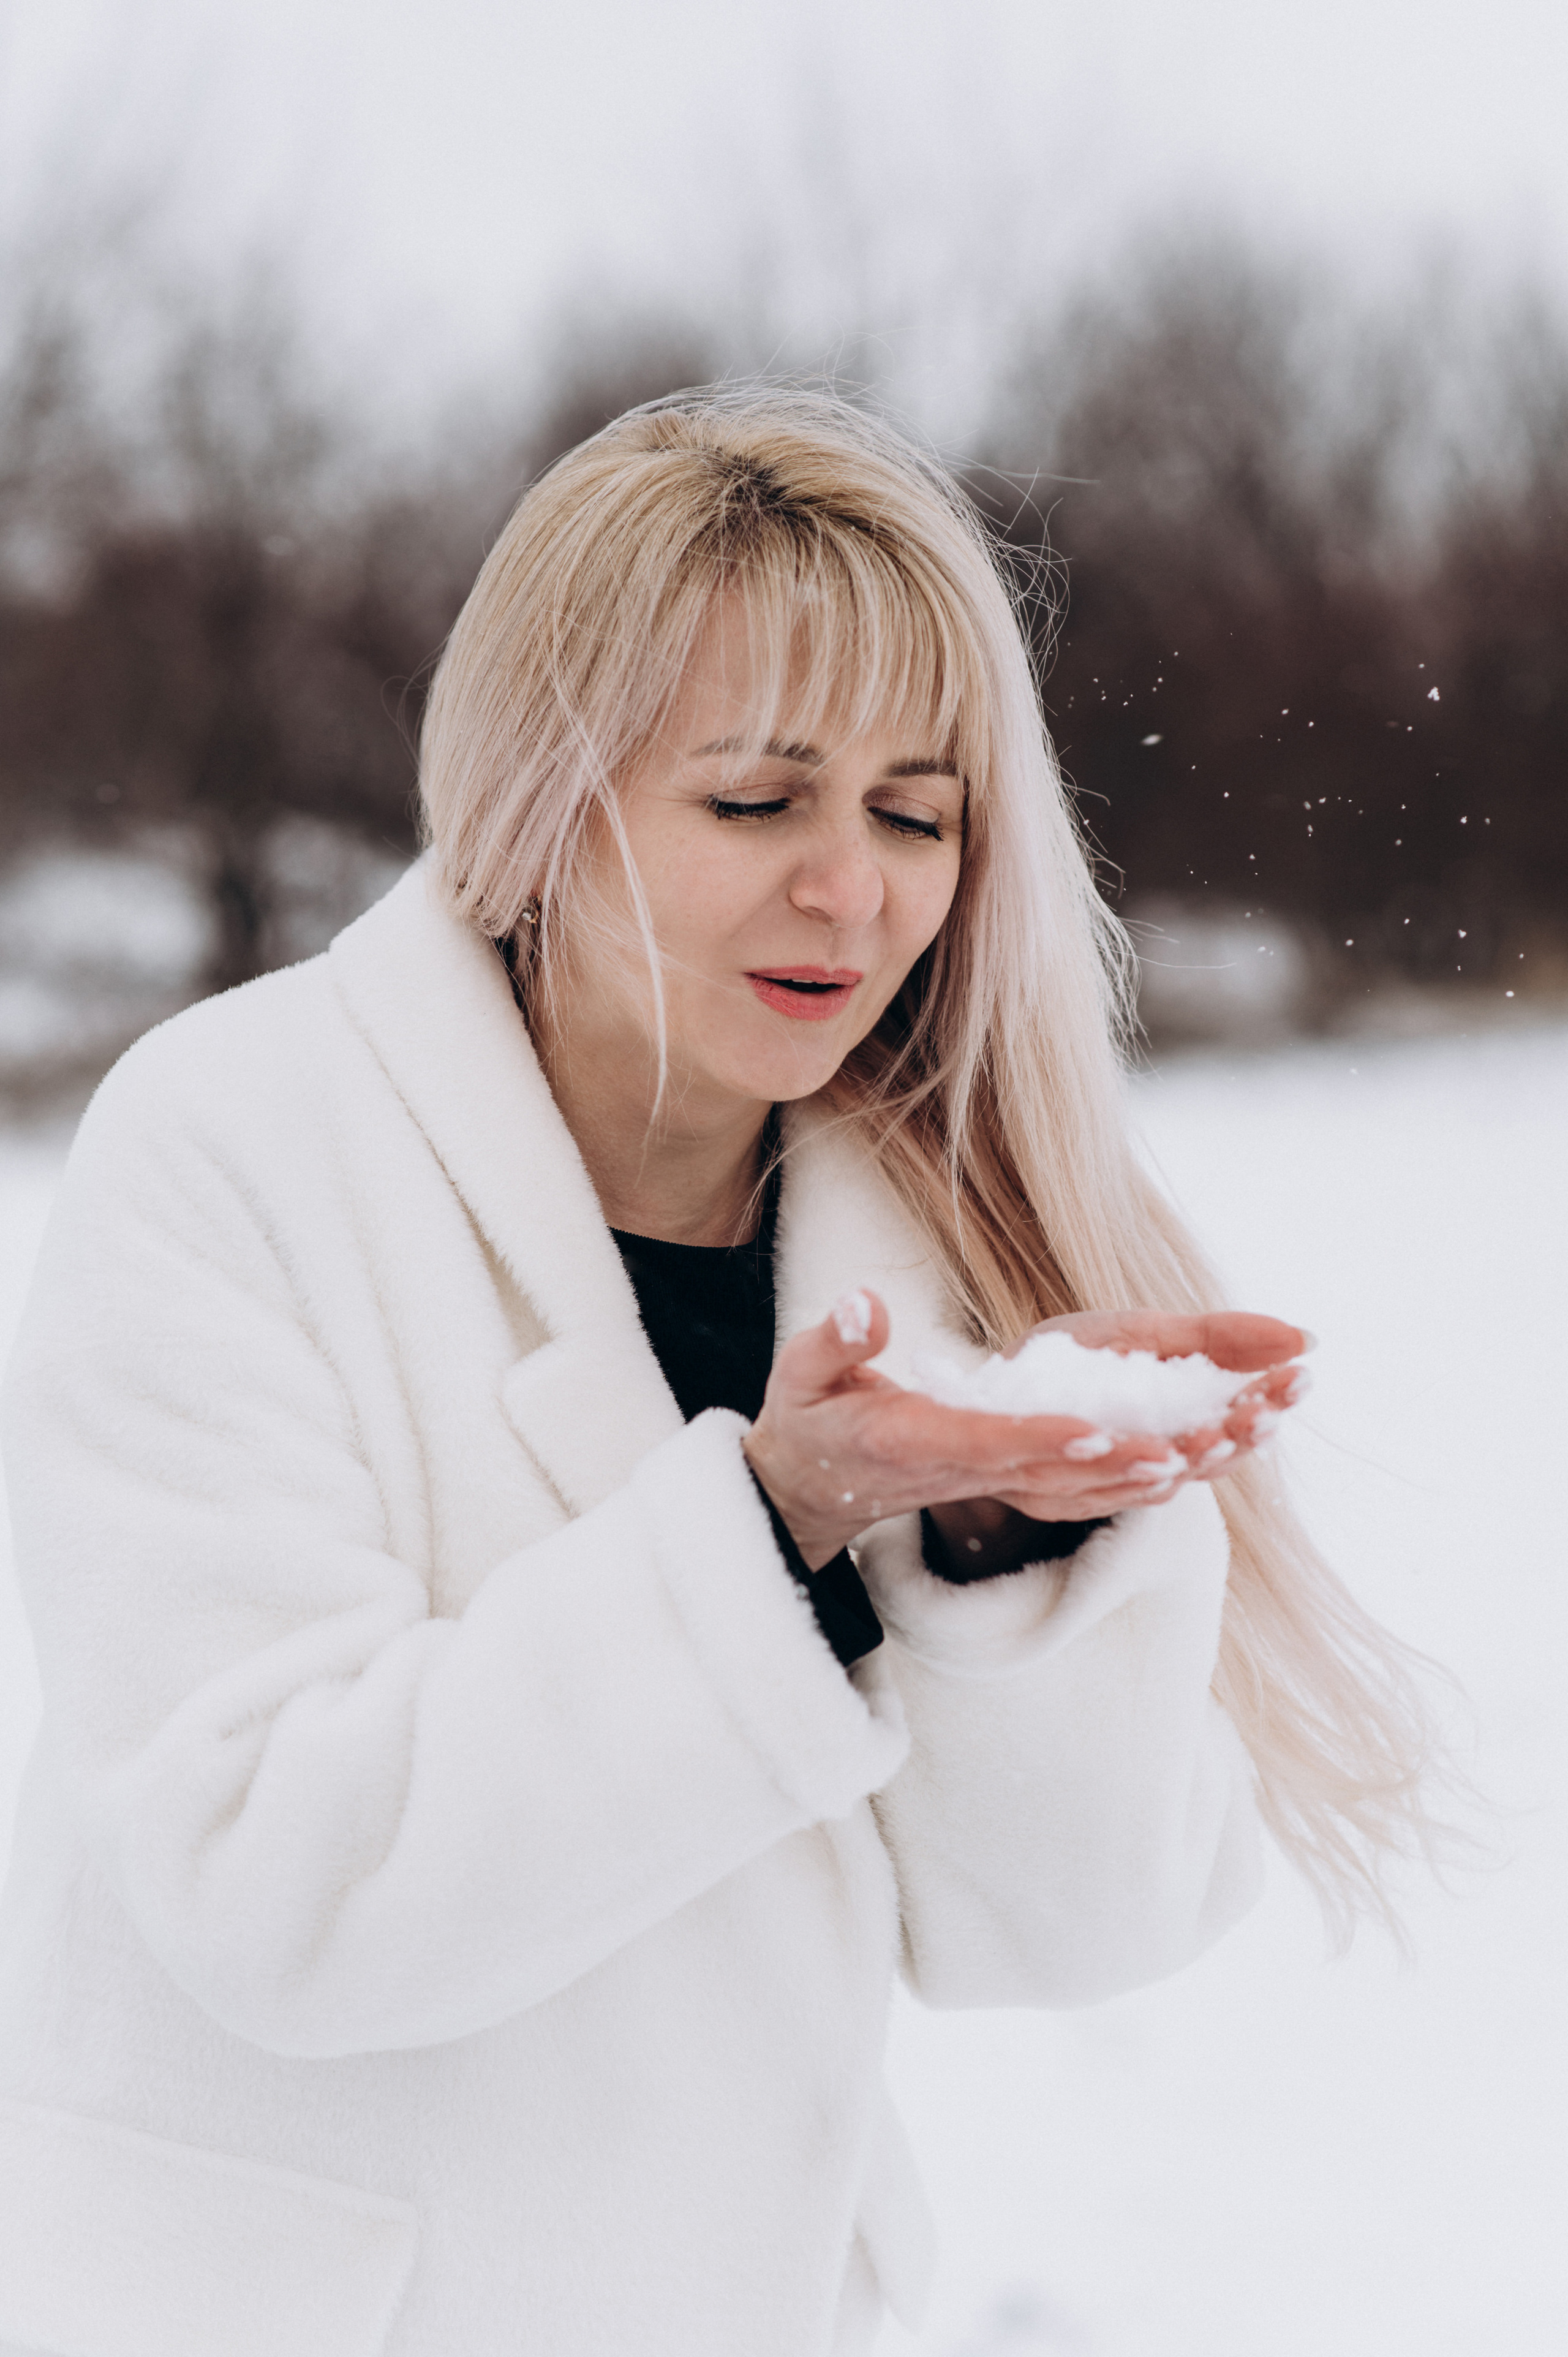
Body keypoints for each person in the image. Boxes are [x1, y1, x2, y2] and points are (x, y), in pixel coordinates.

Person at [0, 388, 1433, 2357]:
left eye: (916, 814)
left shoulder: (926, 1235)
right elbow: (274, 1879)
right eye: (758, 803)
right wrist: (776, 1527)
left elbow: (1077, 1930)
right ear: (539, 790)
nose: (854, 893)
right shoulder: (233, 1147)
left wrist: (1001, 1554)